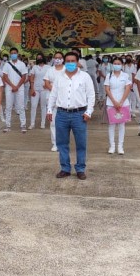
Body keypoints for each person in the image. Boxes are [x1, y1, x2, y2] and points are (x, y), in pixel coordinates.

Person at [47, 51, 96, 180]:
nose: (69, 63)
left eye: (72, 61)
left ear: (77, 62)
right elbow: (53, 94)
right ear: (64, 62)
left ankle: (80, 169)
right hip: (62, 114)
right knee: (62, 143)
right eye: (67, 61)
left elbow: (91, 95)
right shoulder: (59, 77)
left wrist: (88, 112)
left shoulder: (84, 77)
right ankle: (65, 168)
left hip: (79, 114)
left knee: (81, 143)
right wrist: (49, 110)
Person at [104, 58, 131, 155]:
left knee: (121, 125)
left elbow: (127, 88)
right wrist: (114, 101)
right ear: (112, 65)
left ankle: (120, 146)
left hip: (123, 103)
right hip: (111, 103)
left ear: (122, 65)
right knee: (111, 124)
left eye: (118, 63)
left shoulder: (125, 75)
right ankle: (112, 146)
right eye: (115, 63)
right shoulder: (109, 75)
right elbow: (107, 89)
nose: (117, 65)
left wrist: (121, 101)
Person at [1, 47, 28, 133]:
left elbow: (24, 77)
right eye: (12, 53)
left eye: (15, 53)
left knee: (21, 107)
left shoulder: (22, 64)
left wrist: (17, 86)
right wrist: (13, 86)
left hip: (20, 88)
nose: (13, 54)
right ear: (10, 54)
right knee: (8, 107)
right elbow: (5, 76)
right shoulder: (7, 64)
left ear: (17, 53)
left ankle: (23, 125)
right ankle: (7, 125)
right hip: (9, 88)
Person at [43, 51, 65, 152]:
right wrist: (55, 91)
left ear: (63, 59)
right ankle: (55, 143)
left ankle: (63, 143)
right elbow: (46, 83)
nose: (57, 59)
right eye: (56, 58)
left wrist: (60, 92)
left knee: (63, 123)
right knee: (53, 122)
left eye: (59, 58)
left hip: (64, 98)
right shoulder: (50, 70)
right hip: (51, 97)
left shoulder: (66, 70)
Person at [29, 54, 50, 129]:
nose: (39, 59)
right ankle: (32, 123)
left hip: (44, 89)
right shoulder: (34, 67)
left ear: (43, 58)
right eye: (38, 58)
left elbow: (50, 77)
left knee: (43, 106)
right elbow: (31, 78)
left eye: (40, 57)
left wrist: (47, 84)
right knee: (33, 106)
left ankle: (43, 123)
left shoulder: (48, 67)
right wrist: (32, 88)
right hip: (35, 89)